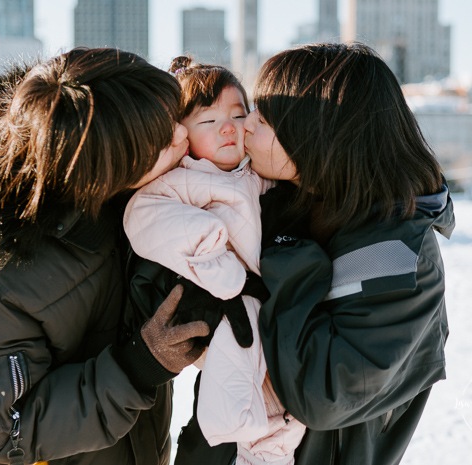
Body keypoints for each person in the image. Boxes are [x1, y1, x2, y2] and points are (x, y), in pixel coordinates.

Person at [0, 47, 212, 465]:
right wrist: (137, 368)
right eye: (163, 137)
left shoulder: (133, 205)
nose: (183, 136)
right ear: (110, 163)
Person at [176, 42, 456, 464]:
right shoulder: (289, 200)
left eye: (265, 117)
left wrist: (289, 258)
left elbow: (321, 393)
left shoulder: (398, 256)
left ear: (320, 136)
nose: (245, 125)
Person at [123, 56, 305, 465]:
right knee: (232, 398)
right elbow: (146, 217)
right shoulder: (182, 179)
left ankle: (269, 452)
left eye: (239, 115)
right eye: (208, 121)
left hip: (266, 311)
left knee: (283, 413)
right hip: (226, 311)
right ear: (182, 135)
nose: (229, 127)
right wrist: (212, 252)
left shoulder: (259, 173)